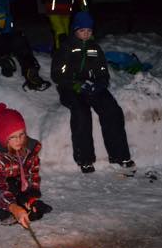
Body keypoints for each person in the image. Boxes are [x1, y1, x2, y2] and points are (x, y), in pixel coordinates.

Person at [50, 11, 135, 175]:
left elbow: (103, 71)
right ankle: (85, 159)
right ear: (75, 30)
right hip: (71, 88)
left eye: (89, 31)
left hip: (92, 87)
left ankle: (119, 155)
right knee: (81, 113)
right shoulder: (66, 48)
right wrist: (76, 85)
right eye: (82, 30)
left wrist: (100, 83)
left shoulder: (94, 49)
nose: (85, 34)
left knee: (112, 110)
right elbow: (57, 75)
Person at [0, 103, 52, 227]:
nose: (19, 140)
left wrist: (30, 197)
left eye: (22, 134)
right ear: (4, 139)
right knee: (7, 213)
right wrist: (14, 208)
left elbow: (32, 173)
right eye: (13, 137)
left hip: (12, 182)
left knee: (29, 210)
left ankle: (16, 203)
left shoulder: (28, 150)